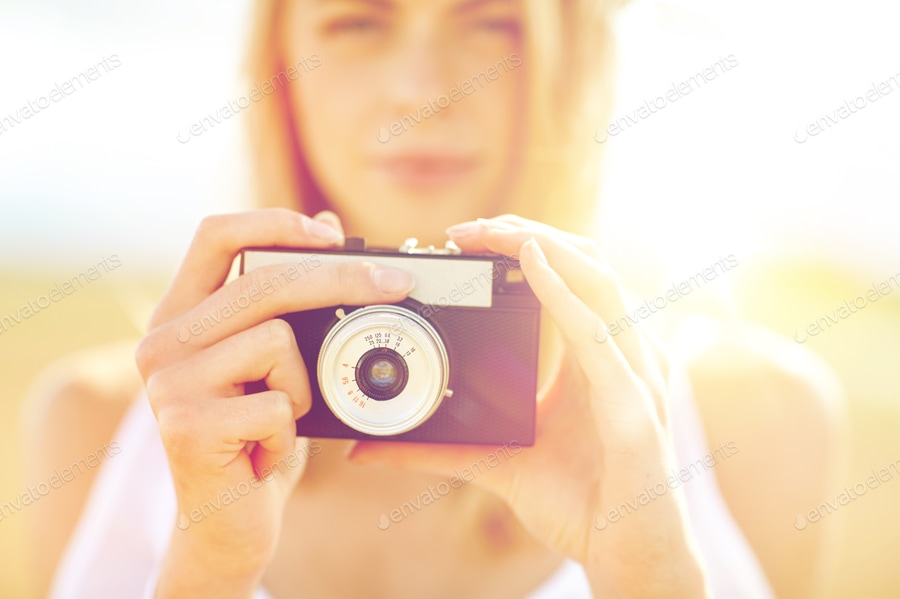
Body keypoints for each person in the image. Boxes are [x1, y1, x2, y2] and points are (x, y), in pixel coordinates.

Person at [25, 0, 845, 597]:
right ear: (282, 63)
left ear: (575, 58)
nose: (422, 90)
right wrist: (206, 571)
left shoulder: (759, 421)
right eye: (358, 21)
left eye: (492, 21)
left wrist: (653, 582)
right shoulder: (98, 429)